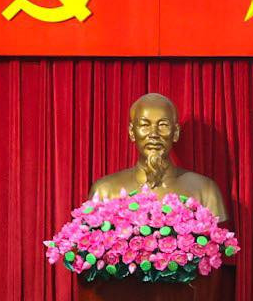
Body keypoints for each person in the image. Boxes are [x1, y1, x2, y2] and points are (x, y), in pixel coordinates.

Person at [88, 92, 230, 220]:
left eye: (163, 125)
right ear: (132, 132)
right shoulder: (104, 191)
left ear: (175, 132)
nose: (154, 134)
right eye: (145, 125)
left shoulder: (205, 191)